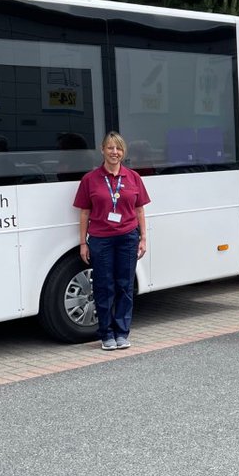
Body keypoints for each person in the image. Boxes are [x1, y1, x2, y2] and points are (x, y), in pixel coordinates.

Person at [74, 132, 150, 350]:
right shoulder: (90, 179)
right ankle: (106, 334)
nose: (114, 152)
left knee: (125, 286)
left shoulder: (133, 177)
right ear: (102, 150)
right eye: (110, 148)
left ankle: (122, 333)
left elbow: (140, 210)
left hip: (128, 237)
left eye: (118, 148)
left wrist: (143, 237)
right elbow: (84, 213)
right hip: (101, 239)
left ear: (123, 152)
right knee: (103, 286)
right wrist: (83, 242)